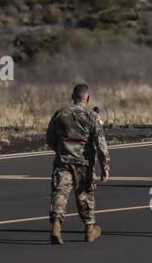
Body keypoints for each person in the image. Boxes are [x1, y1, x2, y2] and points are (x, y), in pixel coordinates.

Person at [44, 83, 110, 245]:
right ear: (87, 98)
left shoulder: (61, 113)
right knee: (85, 196)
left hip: (63, 161)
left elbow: (49, 138)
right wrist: (105, 166)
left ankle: (56, 227)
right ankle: (89, 229)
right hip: (84, 163)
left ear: (73, 97)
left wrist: (60, 150)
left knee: (60, 193)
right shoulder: (91, 117)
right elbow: (100, 144)